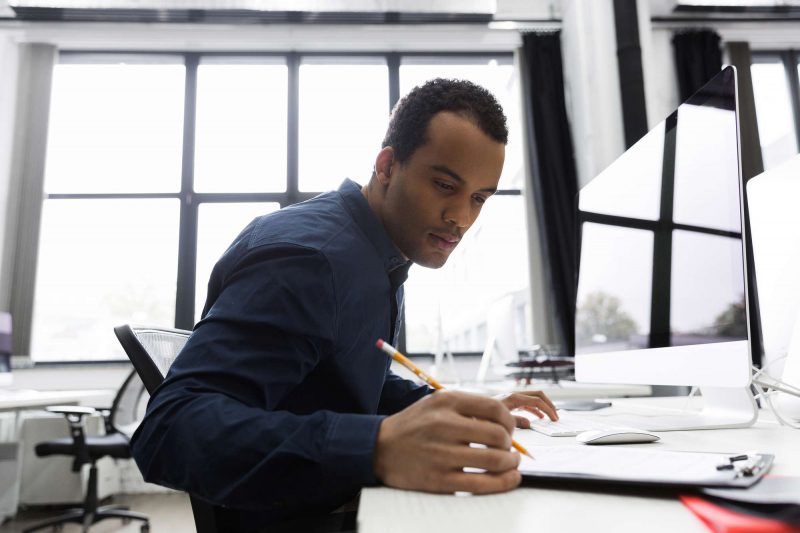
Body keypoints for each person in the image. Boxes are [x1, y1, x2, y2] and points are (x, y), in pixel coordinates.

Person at [130, 78, 558, 532]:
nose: (461, 218)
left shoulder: (379, 252)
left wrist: (459, 410)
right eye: (443, 185)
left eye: (477, 198)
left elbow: (345, 377)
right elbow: (169, 433)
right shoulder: (310, 259)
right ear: (388, 165)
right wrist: (377, 446)